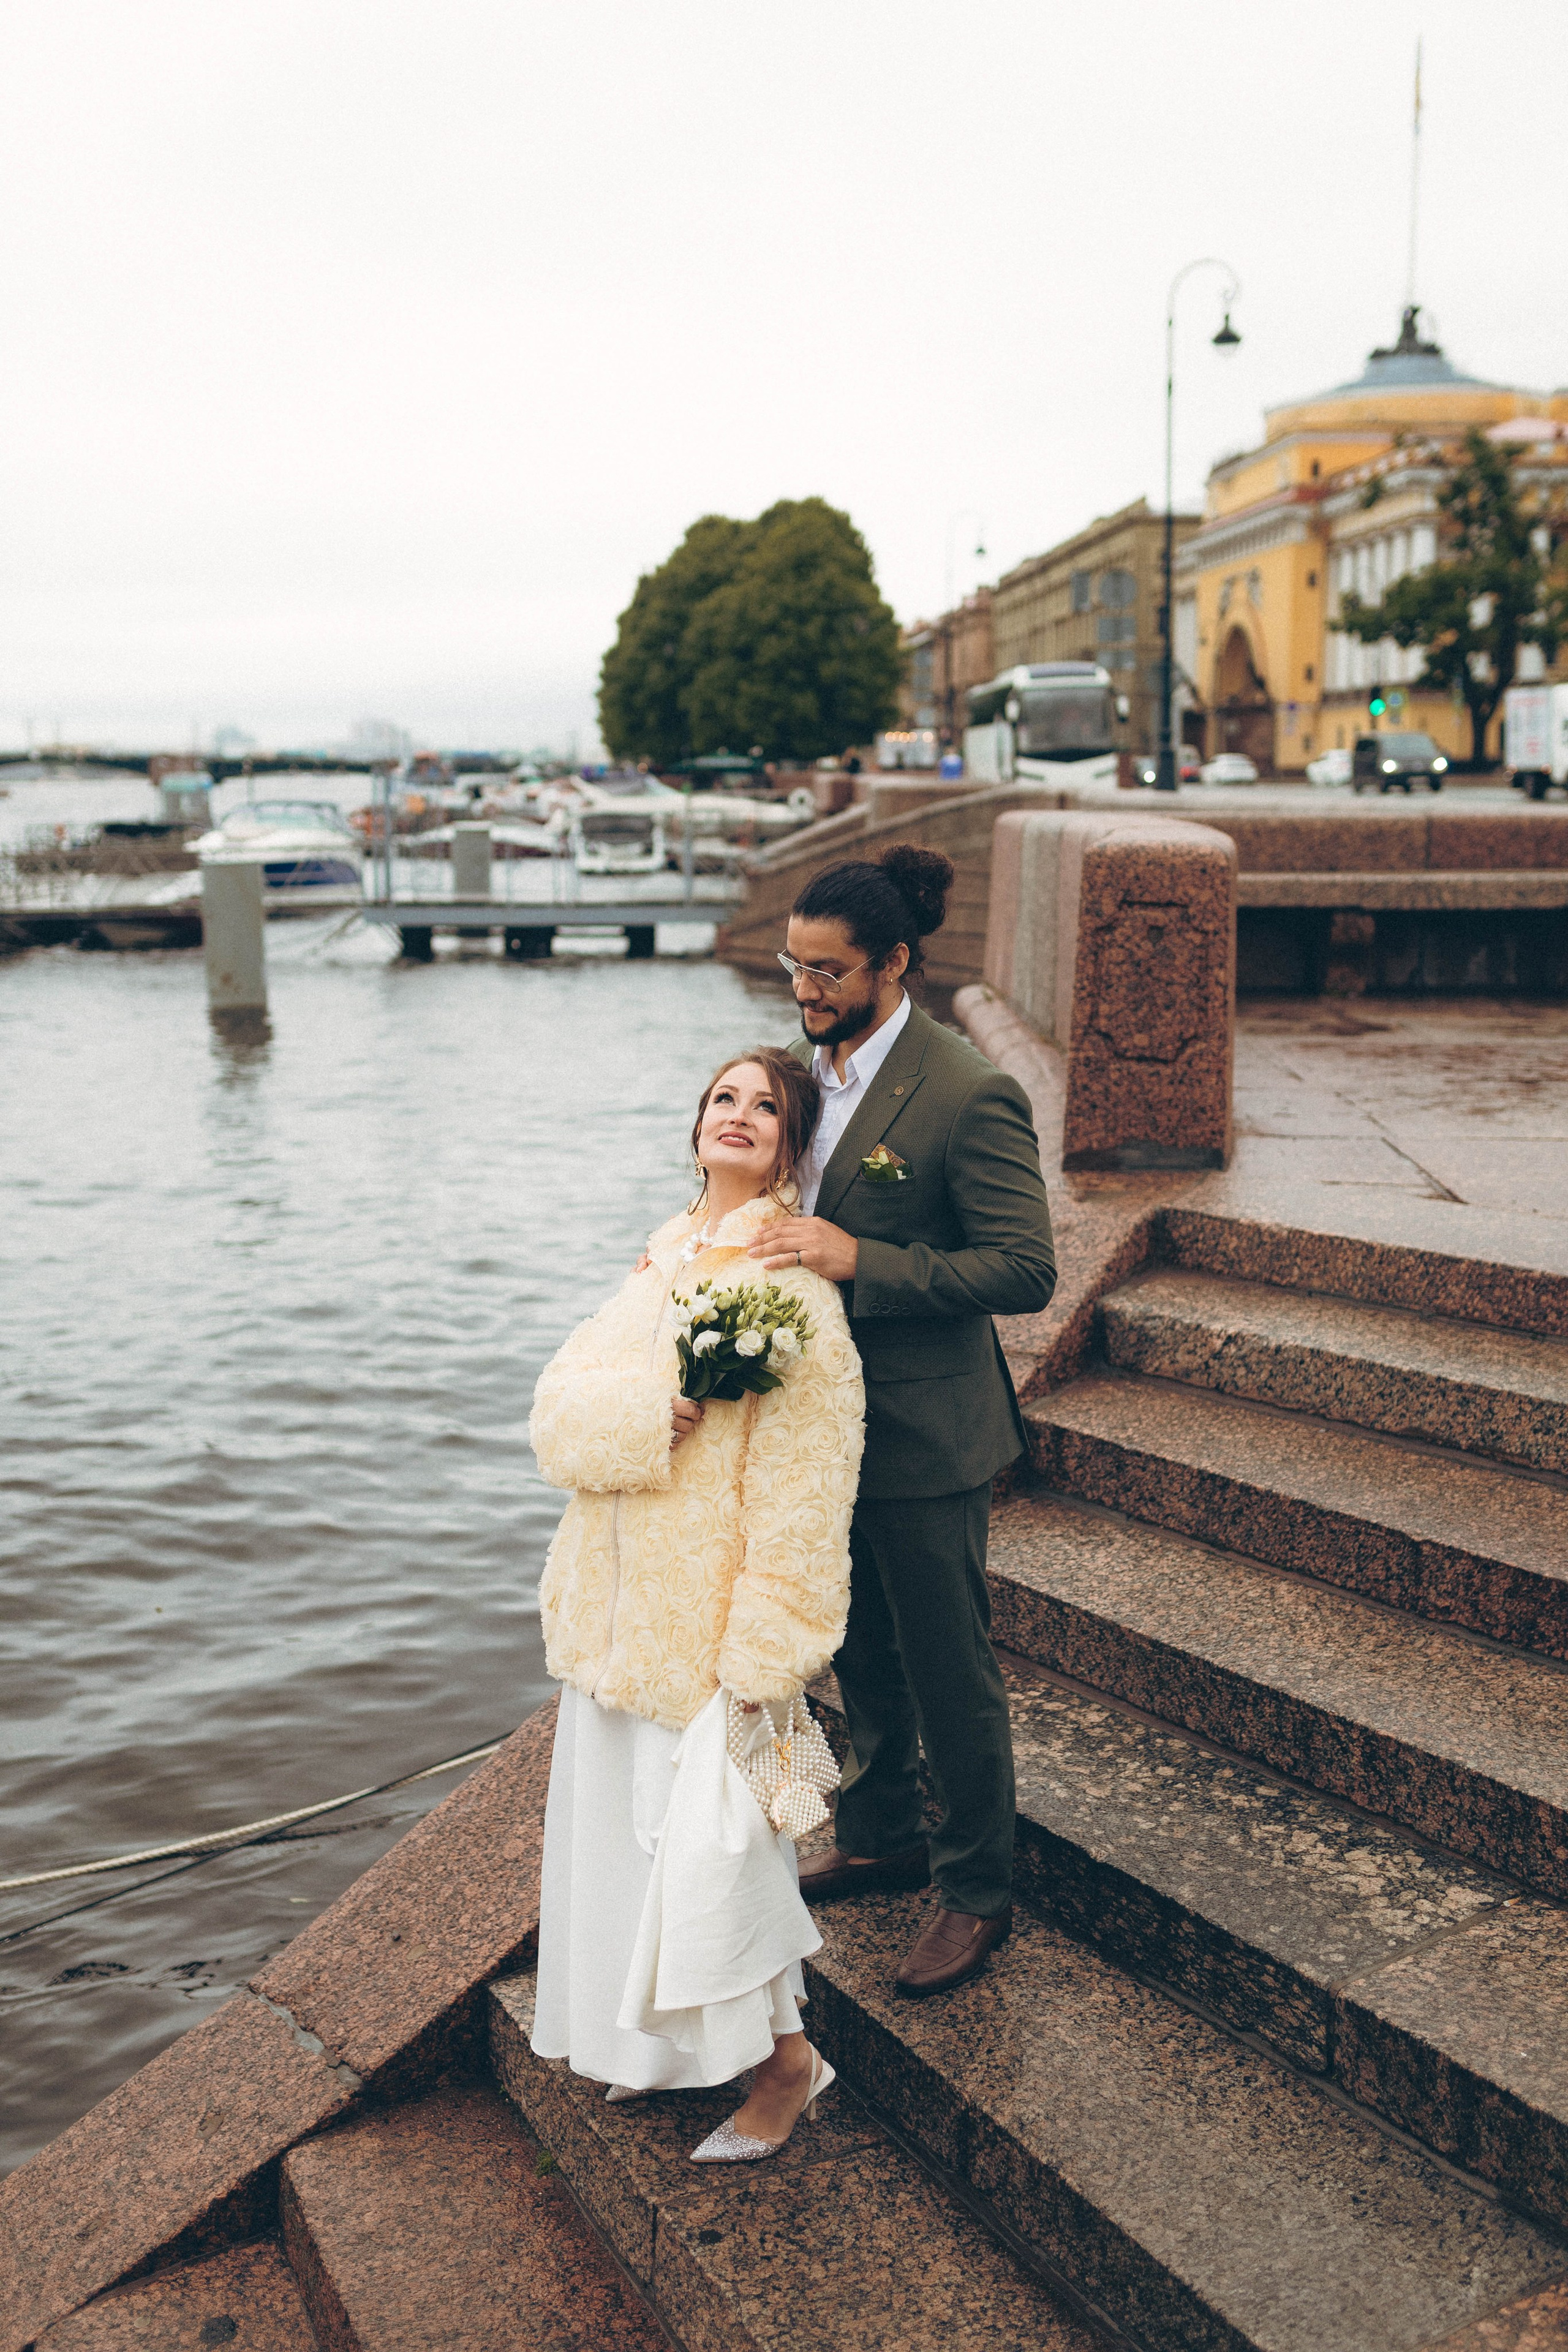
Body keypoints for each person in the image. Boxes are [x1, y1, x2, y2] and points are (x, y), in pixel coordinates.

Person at [529, 1048, 865, 2160]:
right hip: (615, 1611)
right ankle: (671, 2051)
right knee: (637, 1851)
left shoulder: (792, 1286)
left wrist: (767, 1651)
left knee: (722, 1856)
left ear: (791, 1141)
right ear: (697, 1123)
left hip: (714, 1627)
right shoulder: (666, 1249)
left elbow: (810, 1484)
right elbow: (555, 1412)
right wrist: (648, 1413)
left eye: (766, 1107)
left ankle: (784, 2066)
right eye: (724, 1097)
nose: (739, 1115)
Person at [748, 843, 1057, 1997]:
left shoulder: (970, 1089)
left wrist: (858, 1257)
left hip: (928, 1436)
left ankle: (979, 1889)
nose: (806, 990)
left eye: (828, 972)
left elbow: (1024, 1268)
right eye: (795, 966)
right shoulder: (798, 1073)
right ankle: (881, 1834)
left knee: (947, 1668)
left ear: (894, 963)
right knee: (858, 1650)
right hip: (821, 1427)